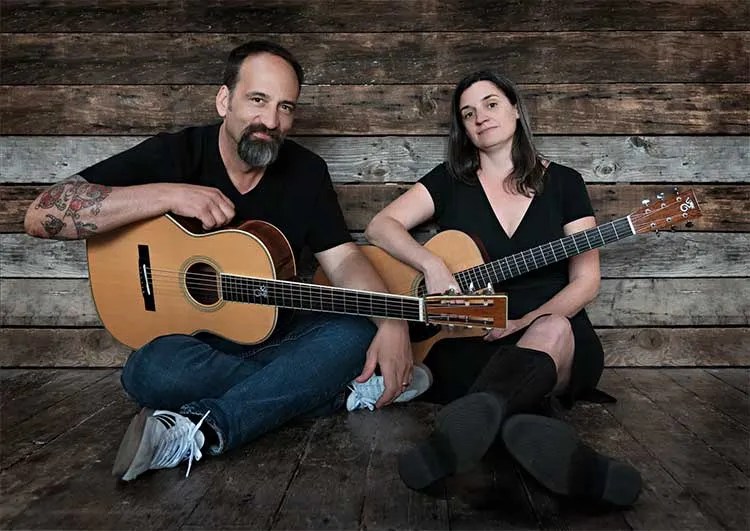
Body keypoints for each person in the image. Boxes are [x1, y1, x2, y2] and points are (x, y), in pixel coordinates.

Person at [23, 40, 423, 481]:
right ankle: (331, 393)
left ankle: (197, 431)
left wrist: (392, 322)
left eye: (285, 107)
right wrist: (168, 194)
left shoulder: (307, 172)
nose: (270, 121)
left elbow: (345, 258)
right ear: (223, 100)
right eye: (257, 100)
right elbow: (42, 213)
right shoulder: (177, 154)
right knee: (146, 370)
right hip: (195, 345)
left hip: (282, 334)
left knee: (351, 333)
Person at [365, 70, 642, 506]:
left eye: (491, 104)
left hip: (555, 333)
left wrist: (524, 321)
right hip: (471, 338)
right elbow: (380, 226)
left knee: (551, 330)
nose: (480, 117)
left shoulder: (565, 183)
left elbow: (586, 283)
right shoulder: (450, 181)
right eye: (468, 112)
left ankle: (448, 447)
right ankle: (576, 467)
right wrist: (431, 263)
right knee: (511, 402)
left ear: (515, 108)